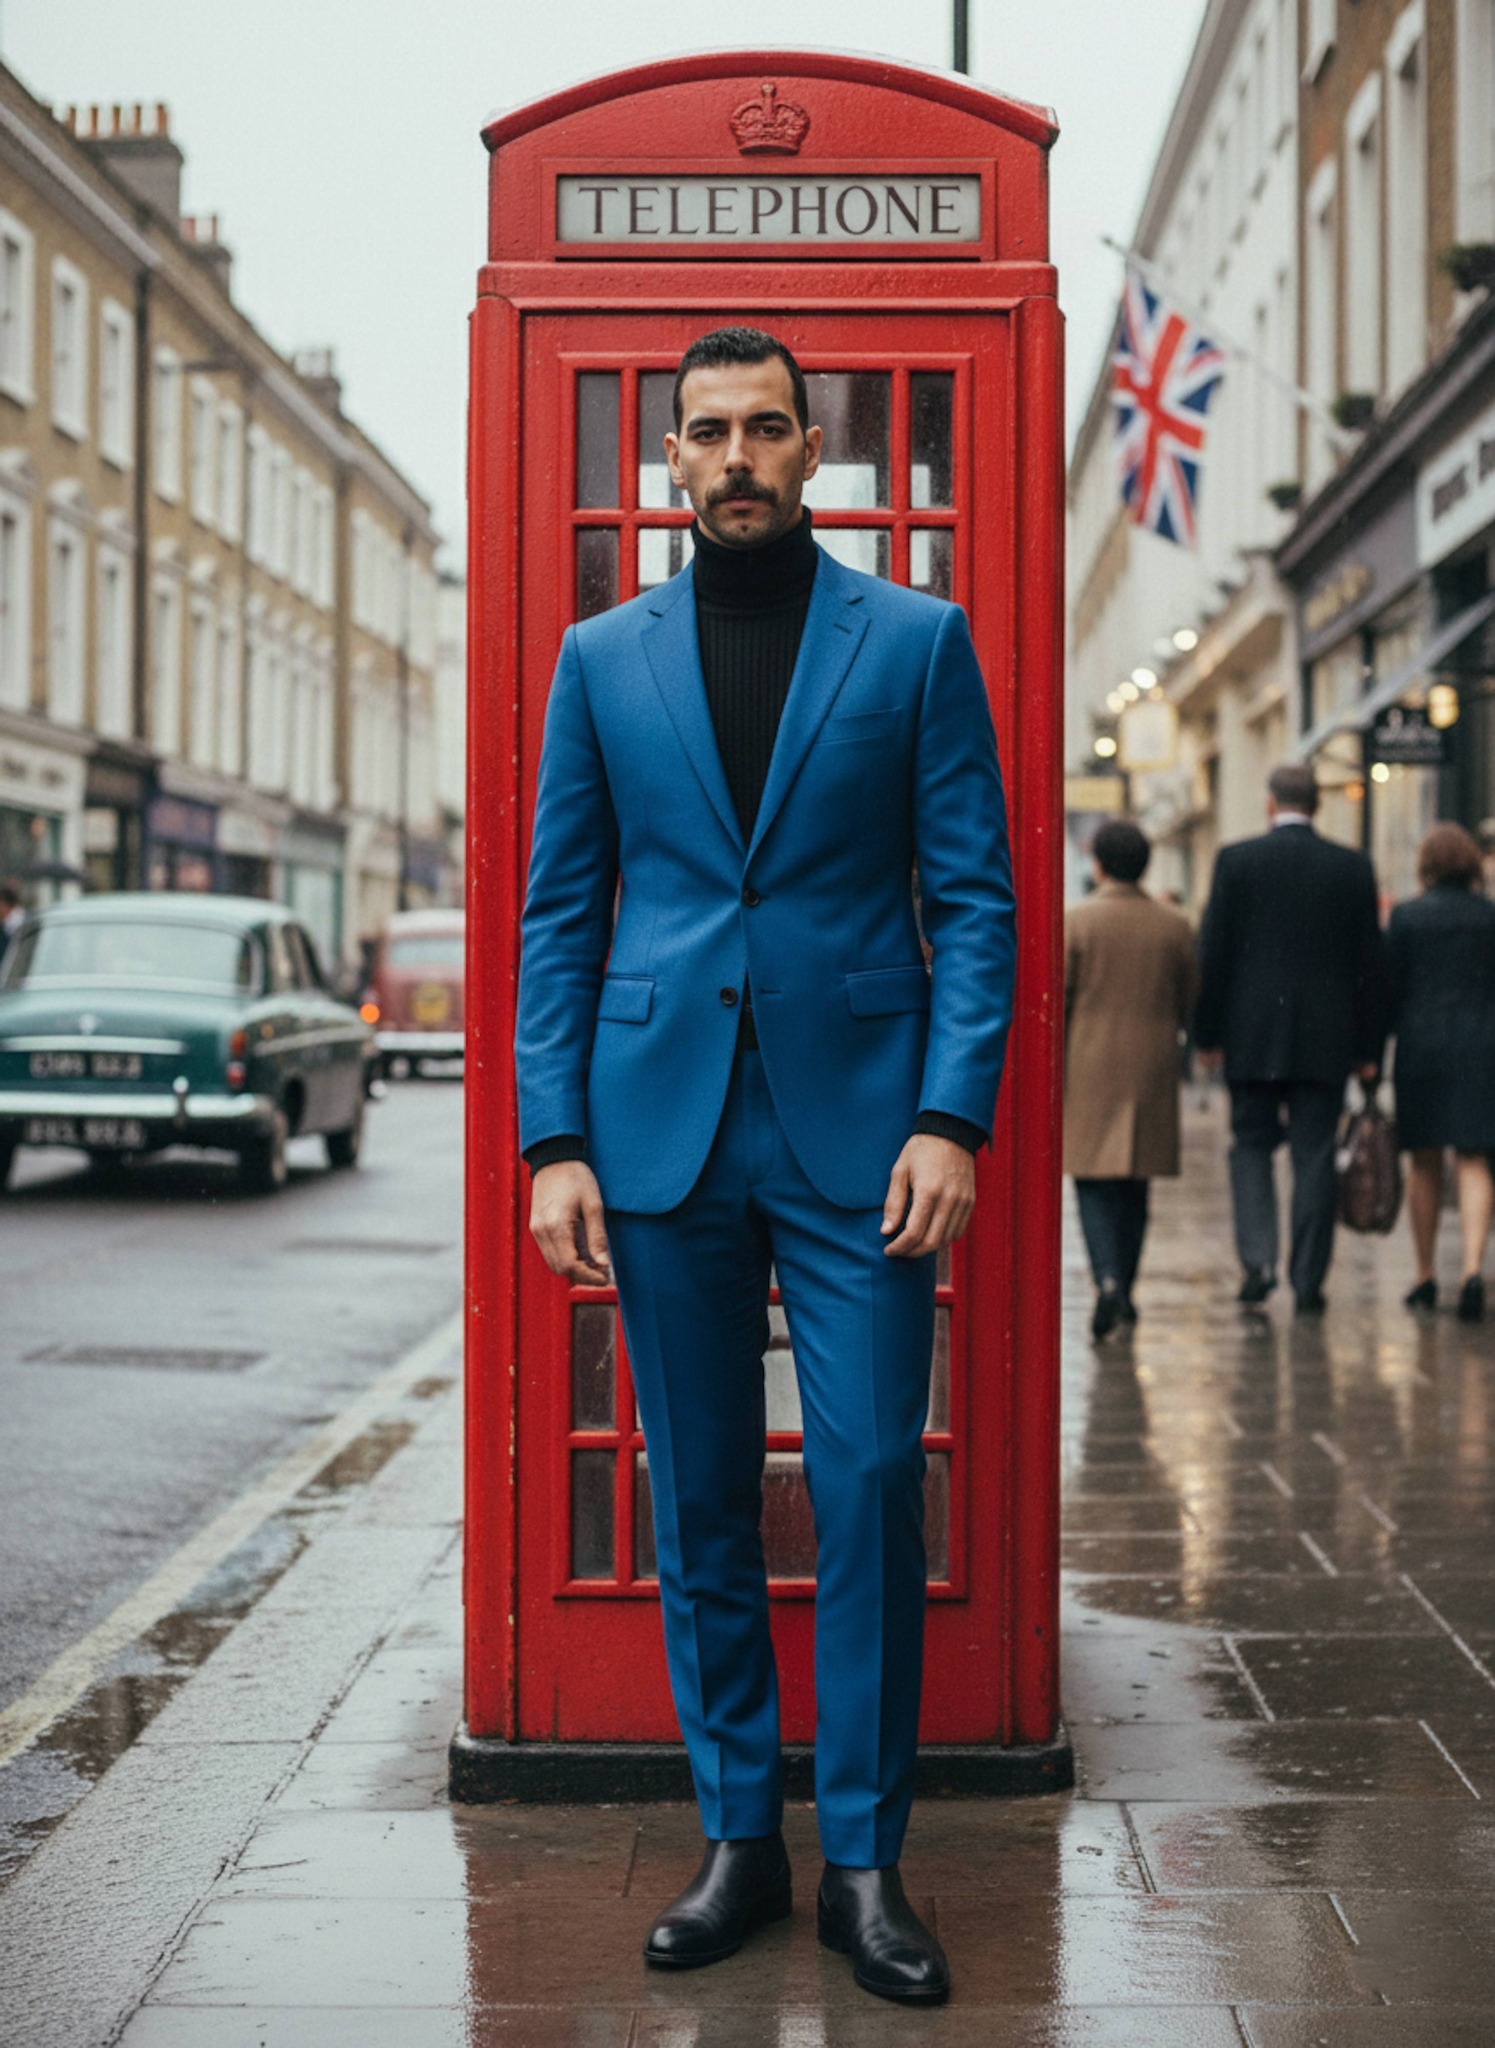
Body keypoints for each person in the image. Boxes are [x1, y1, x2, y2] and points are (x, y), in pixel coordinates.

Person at [516, 327, 1015, 2006]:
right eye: (708, 431)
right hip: (659, 1123)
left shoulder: (919, 642)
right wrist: (552, 1137)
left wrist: (953, 1114)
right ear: (670, 461)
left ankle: (867, 1859)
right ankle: (744, 1830)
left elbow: (977, 898)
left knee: (872, 1479)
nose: (737, 455)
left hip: (865, 1122)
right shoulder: (601, 658)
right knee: (701, 1489)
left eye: (768, 429)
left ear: (819, 453)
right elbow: (562, 913)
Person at [1195, 763, 1384, 1314]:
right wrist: (1368, 1051)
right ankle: (1307, 1280)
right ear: (1317, 805)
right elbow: (1370, 964)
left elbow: (1215, 954)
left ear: (1271, 804)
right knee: (1315, 1157)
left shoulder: (1236, 861)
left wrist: (1207, 1034)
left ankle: (1258, 1262)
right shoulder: (1351, 866)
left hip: (1251, 1035)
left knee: (1251, 1149)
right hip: (1327, 1040)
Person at [1065, 819, 1198, 1340]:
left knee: (1094, 1185)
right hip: (1152, 1067)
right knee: (1136, 1187)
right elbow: (1189, 997)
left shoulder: (1077, 923)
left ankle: (1108, 1281)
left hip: (1089, 1065)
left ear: (1098, 863)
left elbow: (1060, 999)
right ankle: (1127, 1285)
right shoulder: (1174, 925)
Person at [1386, 822, 1495, 1321]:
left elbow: (1389, 989)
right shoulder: (1489, 918)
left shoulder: (1407, 917)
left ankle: (1426, 1273)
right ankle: (1472, 1269)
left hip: (1422, 1048)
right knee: (1473, 1159)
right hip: (1481, 1047)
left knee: (1424, 1162)